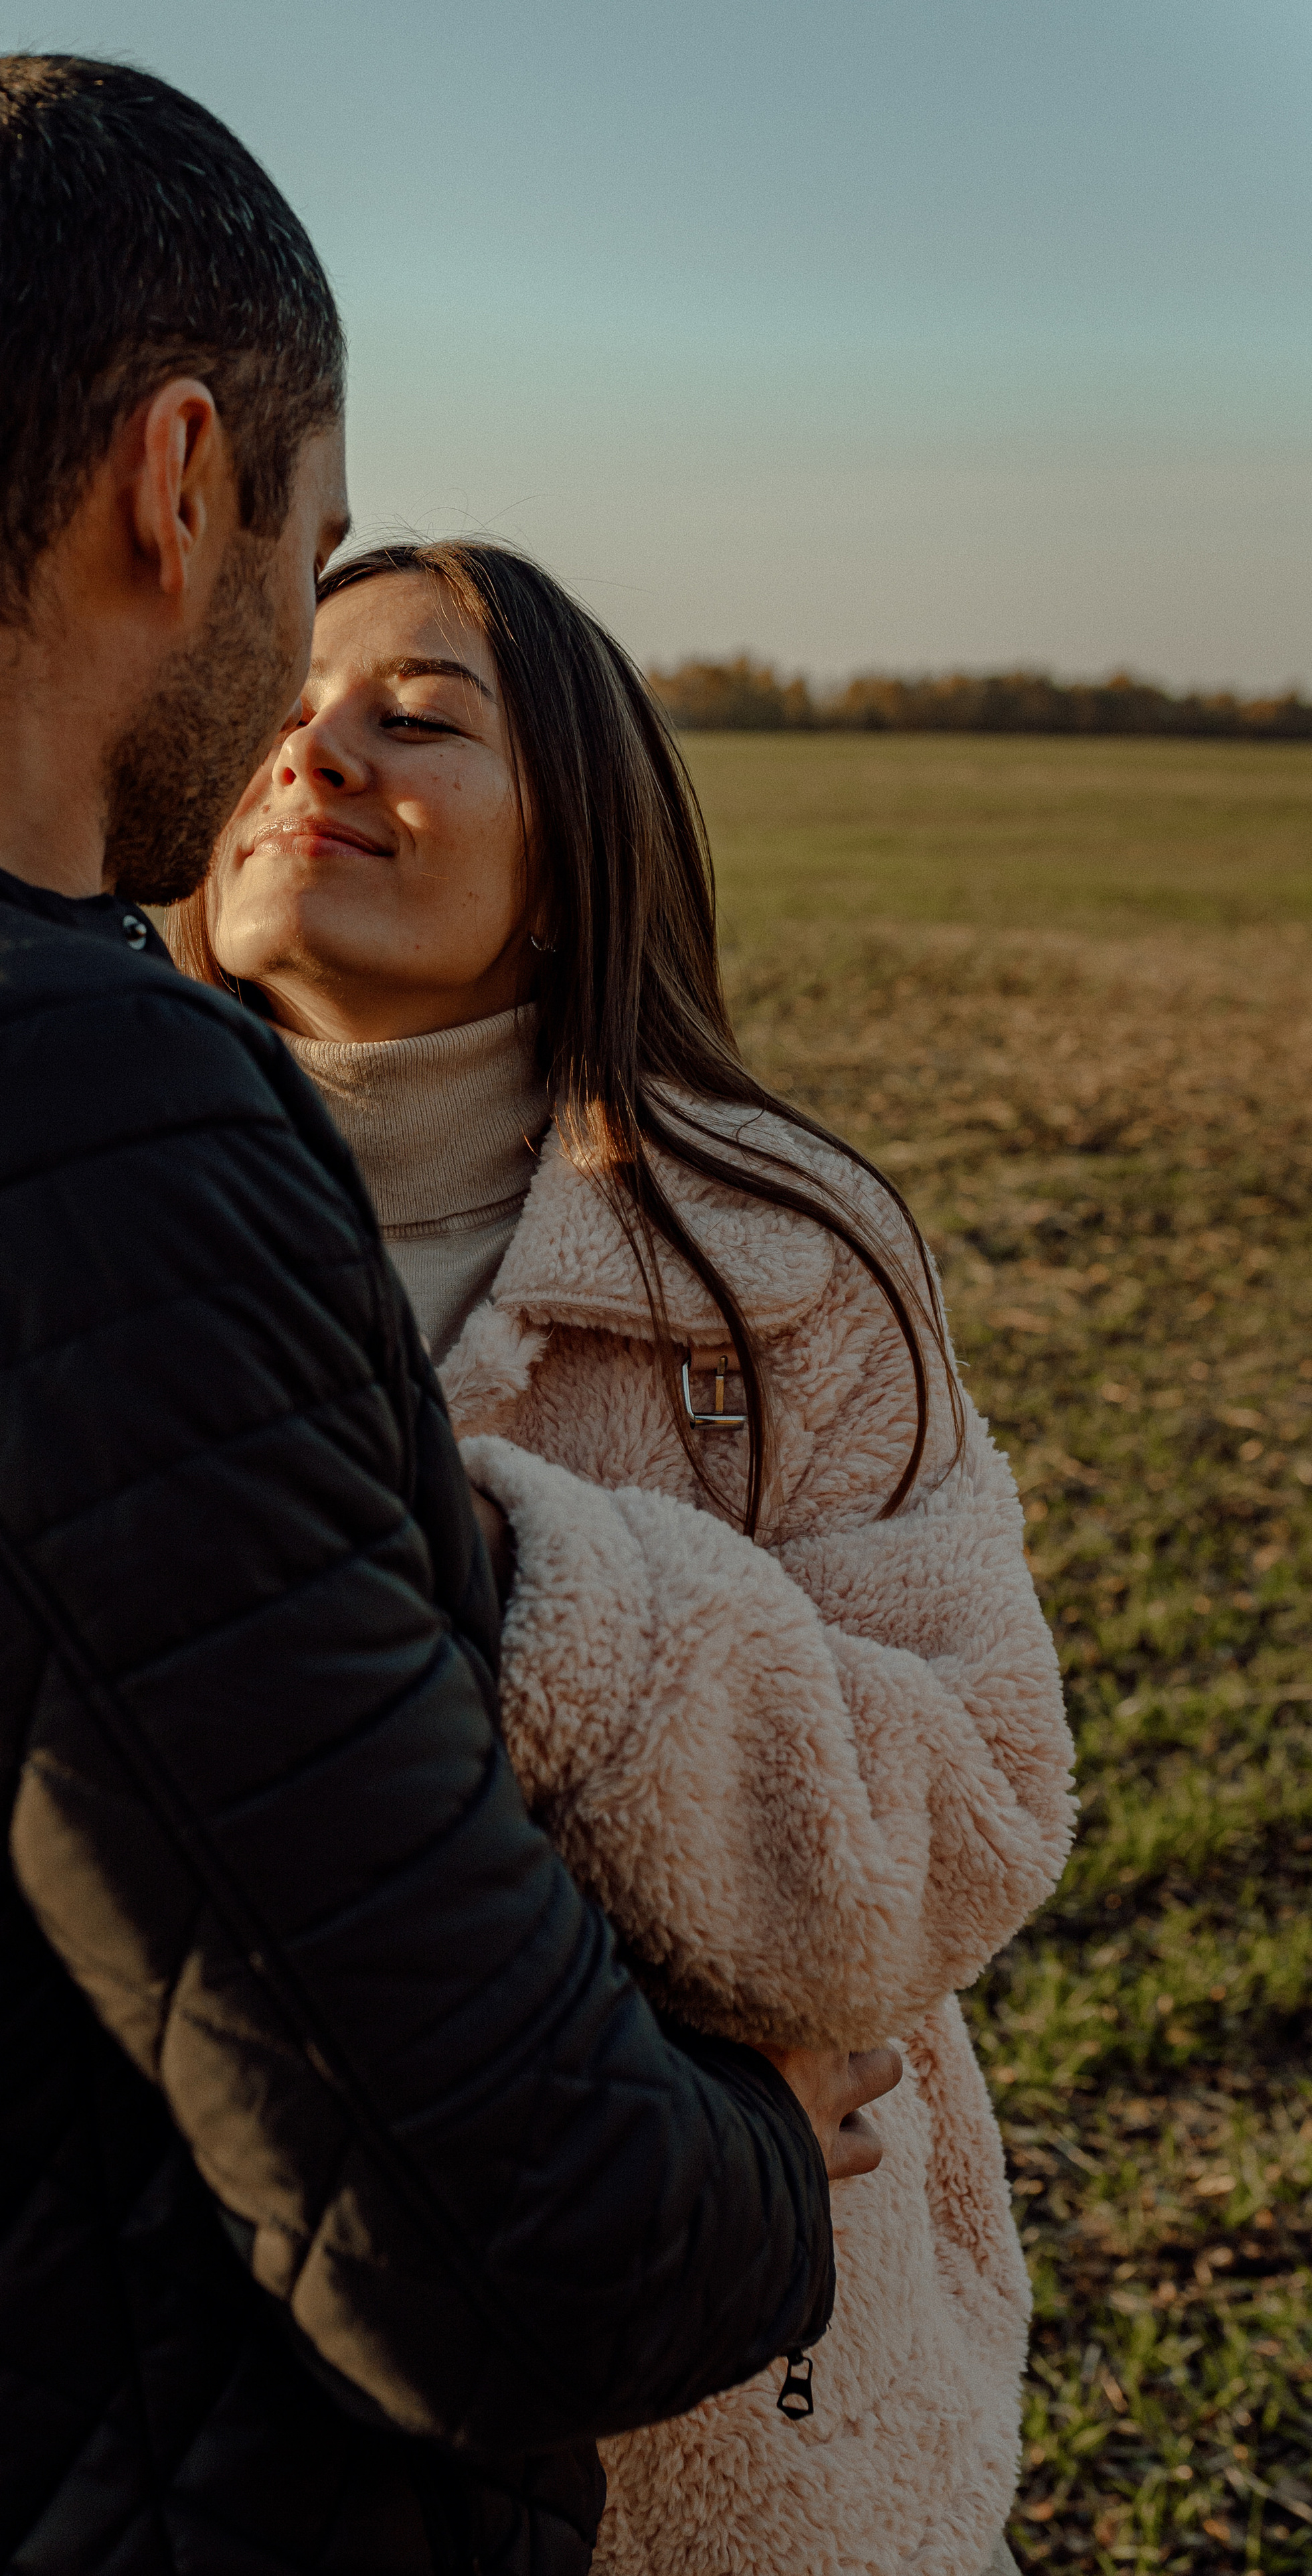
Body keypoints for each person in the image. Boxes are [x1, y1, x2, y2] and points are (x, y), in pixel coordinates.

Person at [0, 62, 899, 2576]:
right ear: (176, 481)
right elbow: (508, 2233)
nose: (307, 642)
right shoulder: (56, 1100)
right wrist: (765, 2119)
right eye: (312, 543)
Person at [177, 538, 1080, 2576]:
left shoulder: (787, 1261)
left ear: (576, 856)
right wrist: (642, 2041)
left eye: (415, 717)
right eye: (274, 713)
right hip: (216, 2395)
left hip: (723, 2431)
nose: (316, 751)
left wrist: (516, 1576)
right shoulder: (72, 1221)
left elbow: (966, 1811)